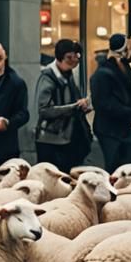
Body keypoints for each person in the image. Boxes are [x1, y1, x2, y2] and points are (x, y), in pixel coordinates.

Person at [34, 39, 92, 171]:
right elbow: (44, 110)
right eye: (68, 57)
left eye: (75, 57)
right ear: (59, 57)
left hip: (69, 137)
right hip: (52, 139)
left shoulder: (69, 75)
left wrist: (82, 106)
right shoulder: (48, 77)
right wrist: (74, 107)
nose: (73, 61)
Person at [89, 33, 131, 171]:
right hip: (110, 130)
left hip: (125, 128)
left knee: (127, 168)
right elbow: (102, 104)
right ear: (123, 48)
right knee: (113, 168)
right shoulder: (103, 73)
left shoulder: (123, 66)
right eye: (130, 46)